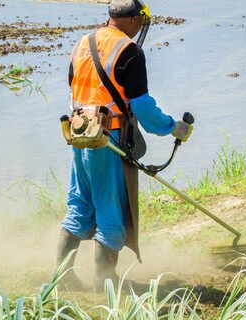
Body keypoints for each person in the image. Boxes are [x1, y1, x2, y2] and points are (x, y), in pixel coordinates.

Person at [57, 0, 193, 290]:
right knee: (111, 209)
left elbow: (74, 87)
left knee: (79, 203)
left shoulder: (82, 43)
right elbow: (142, 106)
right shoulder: (128, 51)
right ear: (133, 20)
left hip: (79, 133)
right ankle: (104, 280)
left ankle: (63, 277)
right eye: (141, 23)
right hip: (109, 140)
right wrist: (173, 127)